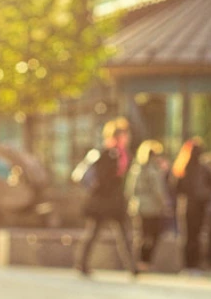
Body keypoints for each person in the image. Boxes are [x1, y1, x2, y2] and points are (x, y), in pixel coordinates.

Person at [72, 118, 137, 277]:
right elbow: (103, 178)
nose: (127, 138)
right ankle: (81, 264)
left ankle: (132, 267)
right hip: (103, 202)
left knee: (123, 234)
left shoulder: (122, 154)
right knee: (95, 233)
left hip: (114, 202)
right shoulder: (107, 153)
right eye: (124, 134)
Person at [172, 138, 211, 274]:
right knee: (194, 236)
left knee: (190, 236)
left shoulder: (184, 167)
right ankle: (192, 265)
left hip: (190, 206)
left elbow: (175, 188)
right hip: (196, 206)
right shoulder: (194, 168)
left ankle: (190, 265)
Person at [126, 140, 171, 273]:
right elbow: (159, 191)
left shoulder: (136, 168)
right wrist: (166, 204)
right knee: (152, 235)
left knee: (141, 235)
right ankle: (145, 262)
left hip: (138, 206)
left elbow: (129, 190)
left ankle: (138, 262)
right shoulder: (153, 170)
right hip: (152, 208)